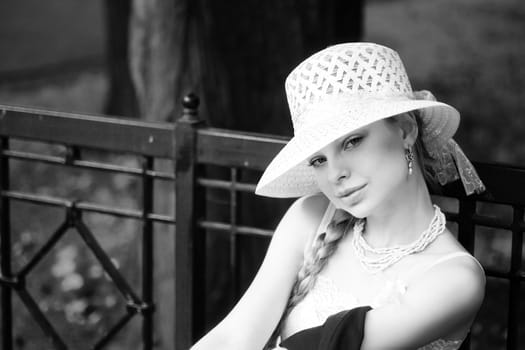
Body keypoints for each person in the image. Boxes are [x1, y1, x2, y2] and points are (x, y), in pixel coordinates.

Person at [191, 42, 486, 350]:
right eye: (319, 160)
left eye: (352, 142)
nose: (335, 175)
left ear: (405, 130)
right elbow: (237, 335)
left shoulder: (455, 278)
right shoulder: (311, 216)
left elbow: (332, 344)